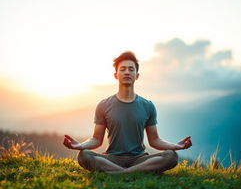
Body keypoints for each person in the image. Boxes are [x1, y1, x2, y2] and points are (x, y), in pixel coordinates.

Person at [63, 51, 192, 174]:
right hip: (112, 158)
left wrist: (176, 146)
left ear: (137, 75)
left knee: (171, 156)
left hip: (139, 159)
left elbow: (155, 140)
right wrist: (80, 145)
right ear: (116, 75)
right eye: (122, 69)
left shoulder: (148, 106)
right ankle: (133, 172)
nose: (127, 72)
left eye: (131, 69)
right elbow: (96, 139)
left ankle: (118, 172)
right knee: (84, 155)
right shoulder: (104, 105)